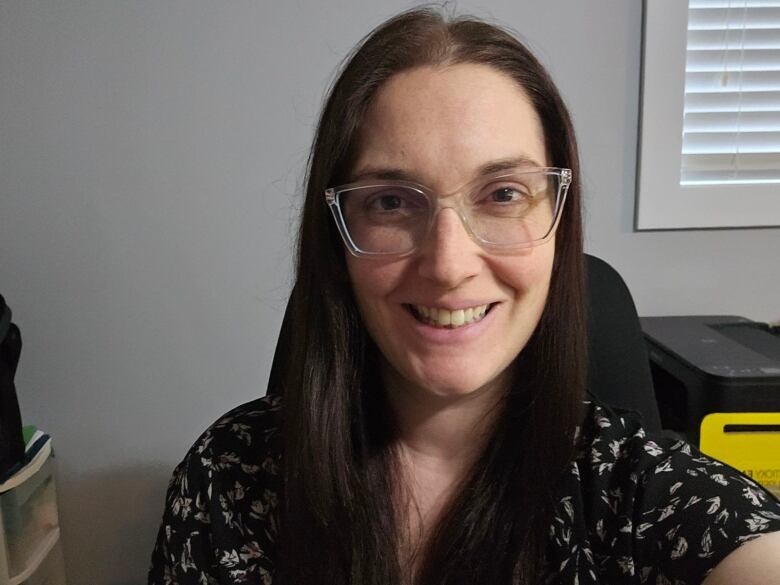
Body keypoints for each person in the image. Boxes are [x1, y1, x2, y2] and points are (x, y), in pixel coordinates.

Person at [148, 7, 780, 585]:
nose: (449, 266)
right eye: (391, 202)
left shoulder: (640, 491)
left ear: (559, 218)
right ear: (337, 240)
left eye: (503, 193)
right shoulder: (228, 481)